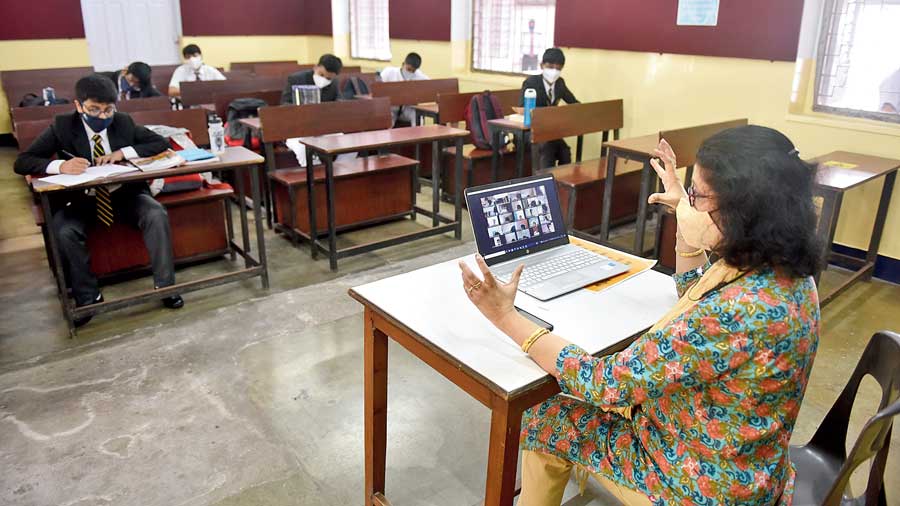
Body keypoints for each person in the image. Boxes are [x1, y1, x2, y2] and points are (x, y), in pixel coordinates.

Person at [458, 125, 823, 505]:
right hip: (749, 469)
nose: (686, 202)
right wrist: (688, 226)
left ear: (739, 212)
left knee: (545, 415)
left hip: (696, 484)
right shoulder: (786, 275)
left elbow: (602, 382)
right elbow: (695, 291)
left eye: (695, 195)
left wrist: (505, 316)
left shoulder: (735, 312)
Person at [14, 74, 184, 326]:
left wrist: (121, 152)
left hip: (124, 195)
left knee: (155, 213)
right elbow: (23, 162)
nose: (102, 117)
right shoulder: (61, 126)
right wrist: (61, 165)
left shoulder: (122, 122)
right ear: (78, 105)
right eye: (94, 109)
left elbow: (158, 142)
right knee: (64, 230)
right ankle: (88, 297)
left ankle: (165, 287)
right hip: (80, 201)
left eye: (108, 110)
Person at [520, 48, 579, 169]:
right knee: (547, 149)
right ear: (542, 65)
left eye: (558, 68)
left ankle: (563, 183)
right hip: (531, 131)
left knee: (565, 151)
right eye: (550, 67)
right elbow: (522, 107)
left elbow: (573, 102)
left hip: (550, 132)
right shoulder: (531, 83)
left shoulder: (560, 83)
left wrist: (582, 110)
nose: (554, 71)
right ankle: (543, 183)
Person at [380, 52, 430, 125]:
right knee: (387, 120)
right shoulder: (389, 72)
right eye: (408, 69)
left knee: (417, 117)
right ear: (403, 64)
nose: (410, 72)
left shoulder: (419, 75)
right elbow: (378, 87)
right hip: (391, 108)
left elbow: (431, 86)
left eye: (413, 70)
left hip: (407, 108)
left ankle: (419, 135)